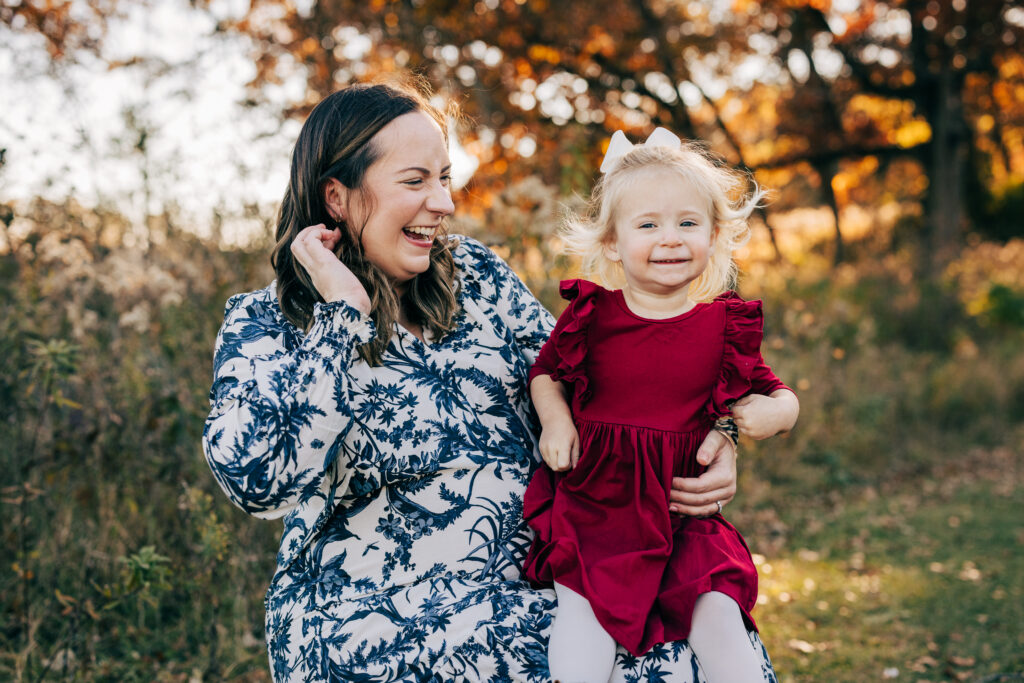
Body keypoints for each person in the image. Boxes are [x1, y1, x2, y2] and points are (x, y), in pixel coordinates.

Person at [202, 81, 781, 682]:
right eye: (415, 181)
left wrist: (717, 436)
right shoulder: (267, 325)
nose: (444, 203)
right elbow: (259, 484)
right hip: (380, 612)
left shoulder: (474, 279)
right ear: (338, 197)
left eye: (445, 178)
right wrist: (342, 314)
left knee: (705, 637)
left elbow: (593, 383)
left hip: (540, 575)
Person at [522, 127, 799, 683]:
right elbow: (547, 374)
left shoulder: (723, 327)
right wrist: (554, 419)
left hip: (682, 518)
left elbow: (778, 393)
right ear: (611, 242)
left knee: (719, 614)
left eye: (687, 223)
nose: (670, 238)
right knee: (583, 622)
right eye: (648, 225)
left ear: (715, 235)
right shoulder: (592, 319)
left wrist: (775, 416)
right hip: (597, 509)